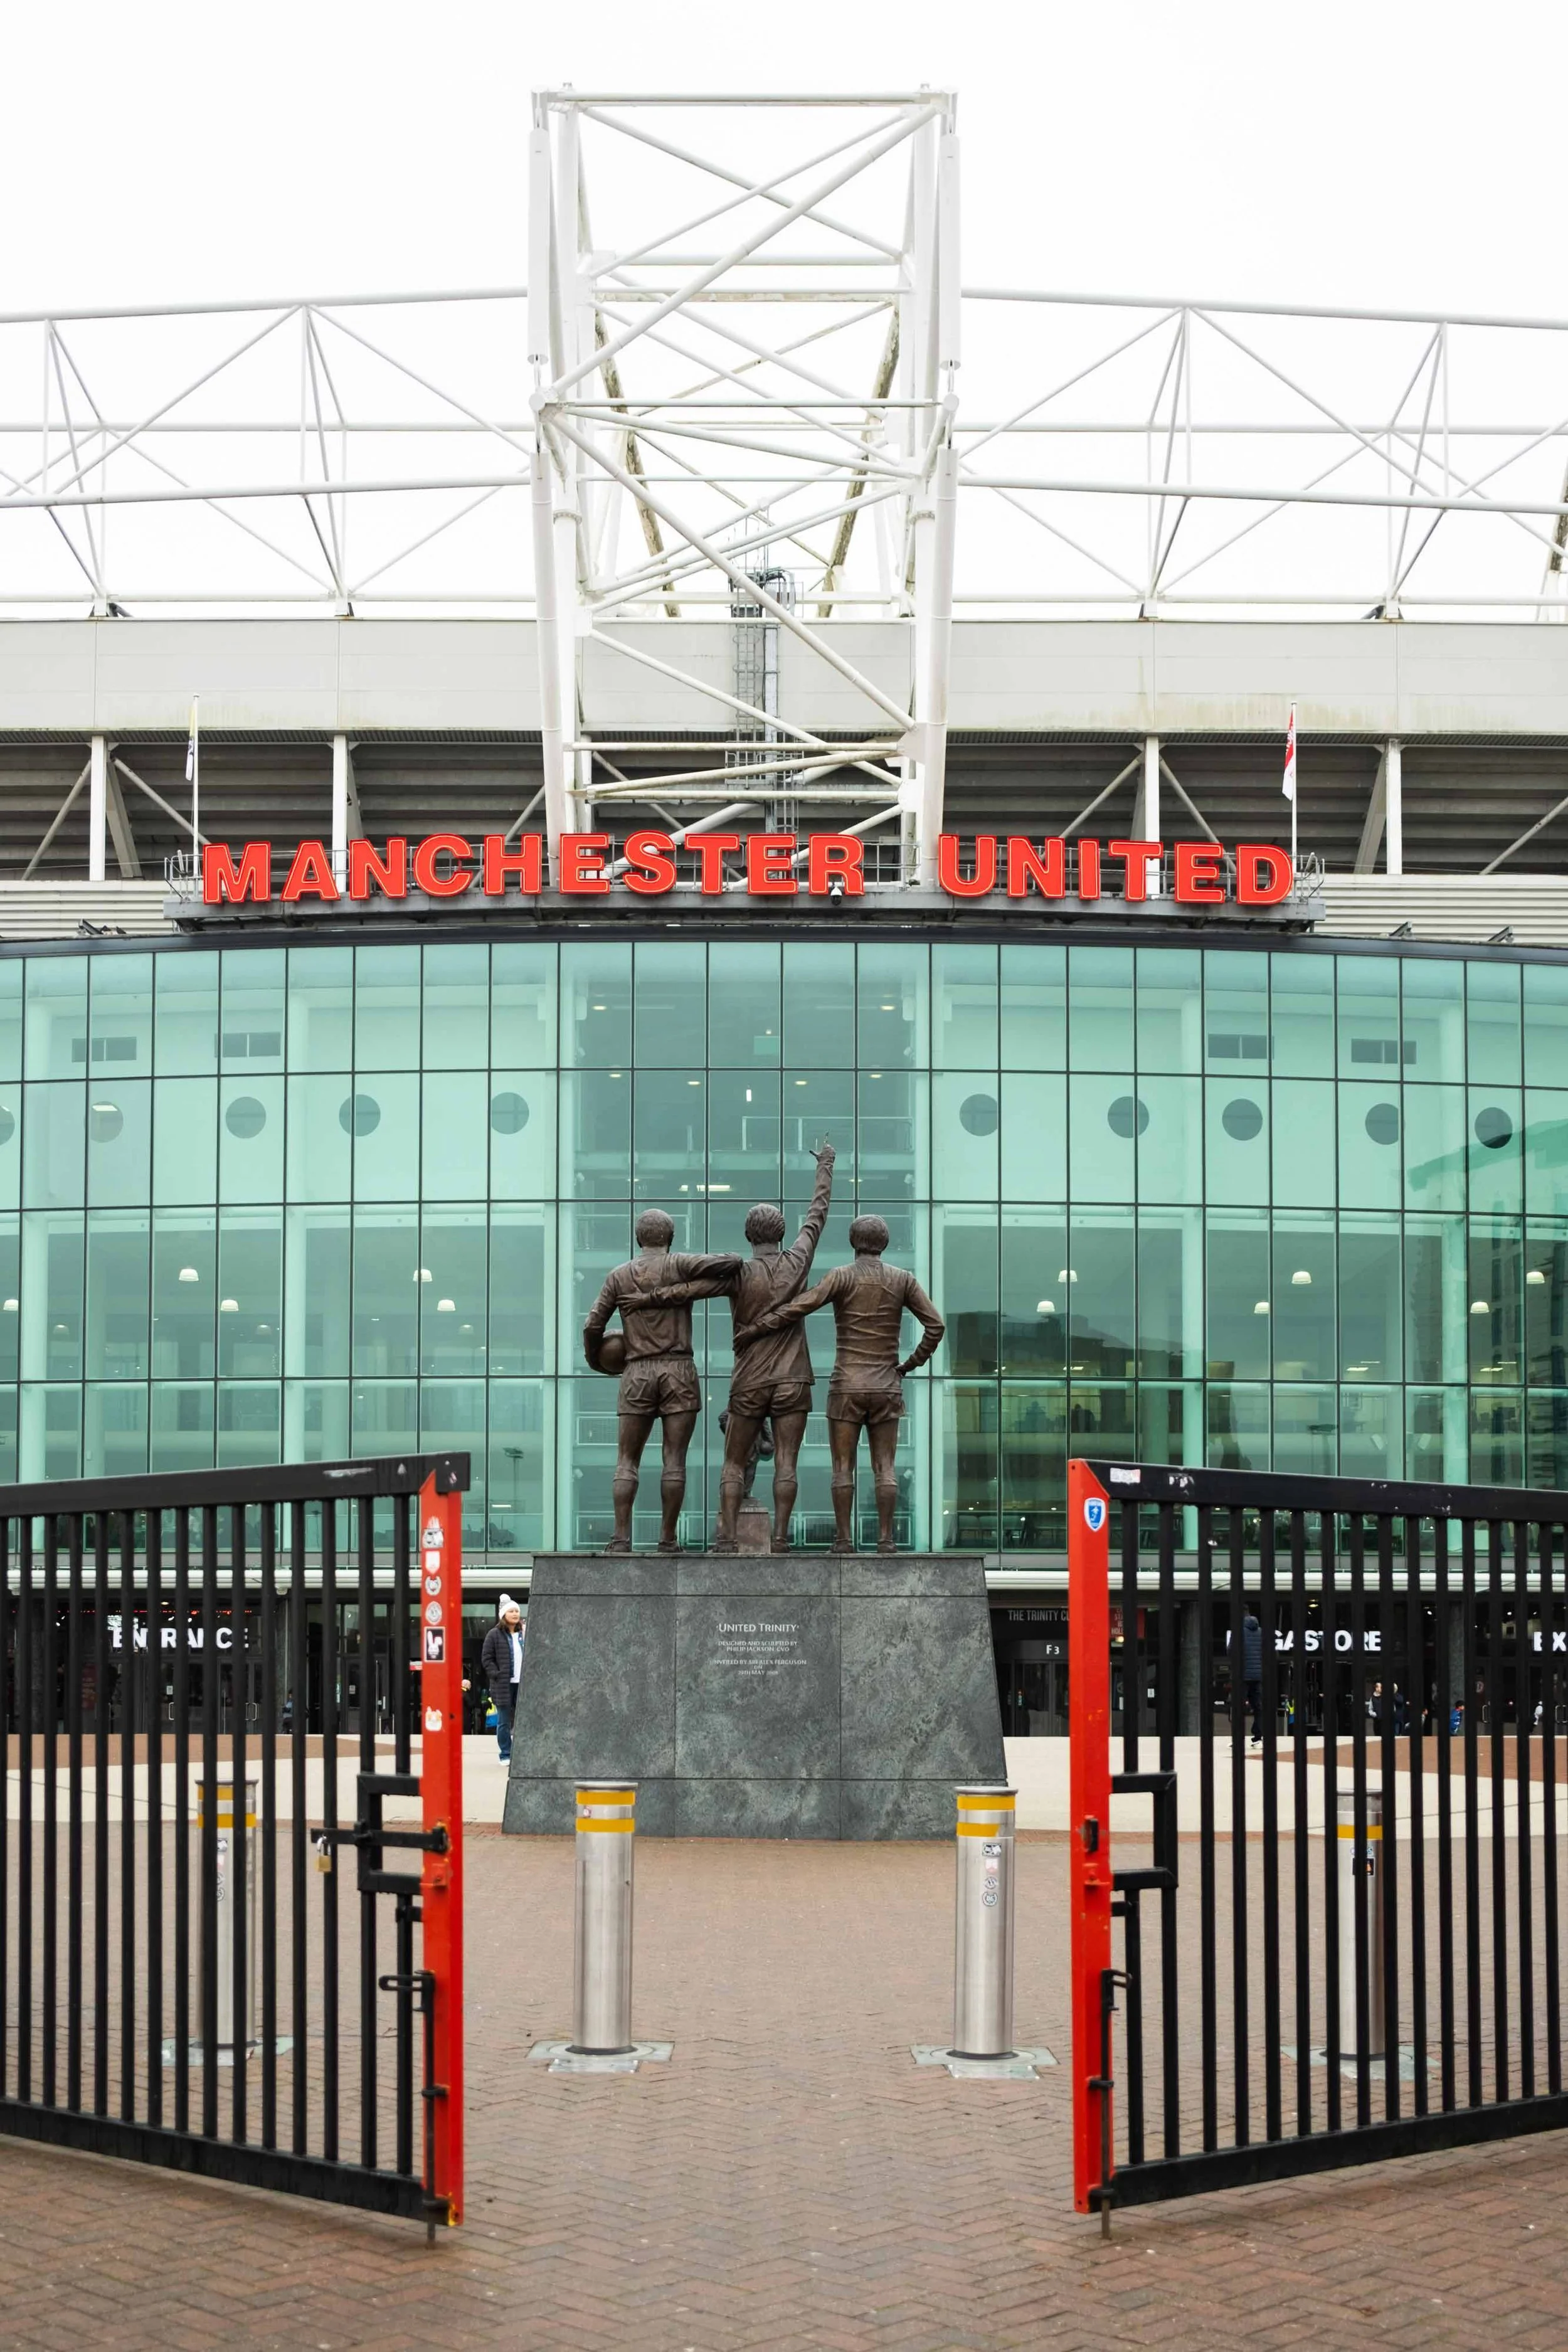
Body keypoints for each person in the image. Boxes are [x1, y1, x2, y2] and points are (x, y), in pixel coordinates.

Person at [733, 1213, 944, 1554]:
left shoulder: (841, 1276)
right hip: (886, 1385)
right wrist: (909, 1364)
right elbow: (936, 1325)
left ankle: (844, 1540)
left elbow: (800, 1306)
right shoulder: (903, 1279)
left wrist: (757, 1328)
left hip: (847, 1385)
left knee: (842, 1468)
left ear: (852, 1242)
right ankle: (886, 1540)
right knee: (886, 1468)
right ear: (885, 1243)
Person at [583, 1212, 743, 1554]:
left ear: (638, 1238)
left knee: (627, 1460)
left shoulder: (619, 1276)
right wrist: (679, 1289)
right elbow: (733, 1262)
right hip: (678, 1370)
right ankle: (667, 1540)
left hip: (637, 1371)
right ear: (670, 1238)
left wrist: (596, 1361)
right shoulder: (680, 1264)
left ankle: (621, 1539)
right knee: (674, 1460)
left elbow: (592, 1326)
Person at [481, 1595, 526, 1762]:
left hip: (523, 1684)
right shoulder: (494, 1634)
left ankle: (520, 1755)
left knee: (524, 1722)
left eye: (517, 1611)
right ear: (504, 1615)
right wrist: (497, 1675)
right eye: (511, 1611)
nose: (515, 1614)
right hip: (503, 1685)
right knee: (504, 1722)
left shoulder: (524, 1633)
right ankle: (506, 1754)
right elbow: (487, 1658)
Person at [1241, 1607, 1263, 1747]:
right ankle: (1258, 1736)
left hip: (1243, 1675)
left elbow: (1230, 1650)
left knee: (1239, 1707)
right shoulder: (1262, 1632)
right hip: (1258, 1675)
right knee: (1258, 1707)